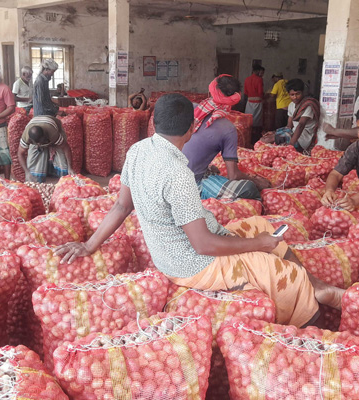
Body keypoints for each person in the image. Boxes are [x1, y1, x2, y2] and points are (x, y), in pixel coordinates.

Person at [56, 93, 344, 328]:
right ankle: (314, 324)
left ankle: (316, 285)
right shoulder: (176, 172)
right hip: (191, 264)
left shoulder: (138, 151)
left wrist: (89, 244)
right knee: (280, 272)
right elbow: (203, 245)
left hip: (174, 251)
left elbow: (121, 205)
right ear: (191, 129)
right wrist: (261, 246)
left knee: (262, 224)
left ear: (154, 123)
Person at [182, 75, 270, 200]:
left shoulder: (191, 108)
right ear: (236, 98)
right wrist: (254, 180)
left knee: (214, 171)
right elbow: (233, 175)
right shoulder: (228, 129)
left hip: (167, 173)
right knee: (248, 189)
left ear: (211, 90)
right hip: (190, 183)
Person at [269, 78, 321, 153]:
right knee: (267, 137)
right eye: (292, 95)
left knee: (269, 140)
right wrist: (276, 132)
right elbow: (289, 126)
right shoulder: (291, 105)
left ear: (303, 92)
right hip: (293, 133)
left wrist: (290, 144)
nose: (295, 97)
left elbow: (301, 125)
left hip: (304, 138)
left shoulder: (308, 105)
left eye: (298, 94)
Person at [17, 115, 73, 182]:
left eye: (42, 142)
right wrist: (26, 172)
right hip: (37, 132)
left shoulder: (53, 133)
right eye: (38, 143)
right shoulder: (26, 137)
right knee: (33, 160)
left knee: (62, 159)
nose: (40, 144)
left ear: (44, 136)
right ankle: (36, 180)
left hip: (52, 125)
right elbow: (20, 153)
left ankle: (63, 181)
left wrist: (70, 167)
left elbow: (66, 148)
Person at [244, 65, 265, 141]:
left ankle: (248, 134)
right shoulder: (259, 79)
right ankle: (255, 137)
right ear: (257, 71)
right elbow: (260, 92)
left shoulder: (247, 79)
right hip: (258, 102)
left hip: (249, 102)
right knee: (257, 120)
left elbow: (245, 92)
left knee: (249, 118)